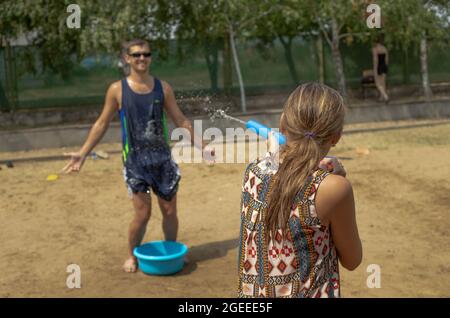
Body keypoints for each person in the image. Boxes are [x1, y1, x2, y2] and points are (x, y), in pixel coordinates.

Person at [62, 39, 214, 273]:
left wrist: (202, 146)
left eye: (146, 54)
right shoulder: (117, 90)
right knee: (143, 214)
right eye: (136, 55)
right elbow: (102, 123)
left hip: (163, 161)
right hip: (135, 163)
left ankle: (172, 249)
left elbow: (180, 120)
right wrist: (83, 153)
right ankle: (132, 255)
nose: (142, 58)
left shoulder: (162, 88)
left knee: (170, 211)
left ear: (150, 57)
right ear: (127, 59)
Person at [237, 82, 362, 298]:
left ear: (282, 125)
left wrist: (276, 154)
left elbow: (281, 170)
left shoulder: (253, 173)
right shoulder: (333, 188)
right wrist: (329, 175)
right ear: (336, 136)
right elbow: (352, 260)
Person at [372, 36, 389, 102]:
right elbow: (387, 59)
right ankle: (382, 98)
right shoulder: (384, 48)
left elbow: (375, 60)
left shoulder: (375, 49)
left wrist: (375, 69)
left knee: (378, 84)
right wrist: (385, 66)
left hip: (378, 67)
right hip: (384, 66)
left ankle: (385, 96)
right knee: (383, 83)